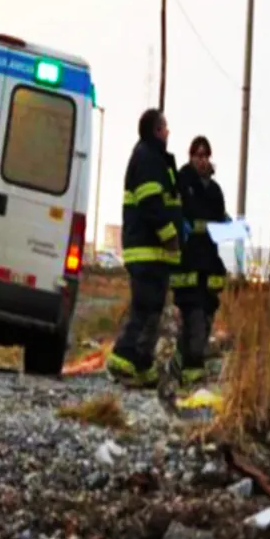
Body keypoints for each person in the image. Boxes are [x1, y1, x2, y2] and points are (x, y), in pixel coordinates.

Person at [106, 108, 185, 397]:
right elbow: (152, 203)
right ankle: (125, 356)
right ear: (156, 130)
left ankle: (142, 364)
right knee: (146, 307)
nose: (168, 132)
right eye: (165, 127)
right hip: (148, 250)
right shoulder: (148, 159)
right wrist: (170, 237)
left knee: (152, 308)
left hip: (154, 253)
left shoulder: (153, 159)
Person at [171, 135, 230, 384]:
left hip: (208, 261)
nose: (202, 160)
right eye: (198, 155)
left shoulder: (214, 190)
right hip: (188, 260)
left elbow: (218, 223)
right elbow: (174, 211)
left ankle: (184, 363)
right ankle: (191, 368)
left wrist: (231, 227)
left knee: (206, 312)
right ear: (190, 156)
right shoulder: (183, 181)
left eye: (206, 155)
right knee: (192, 313)